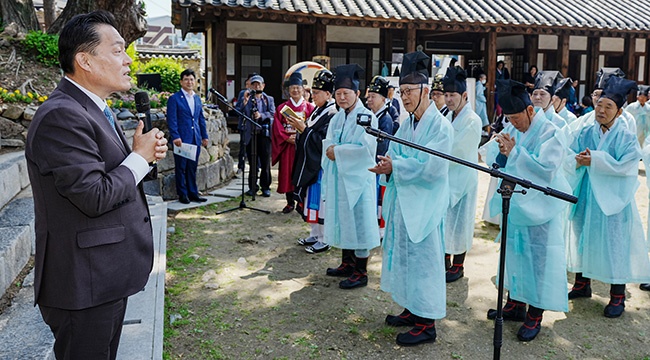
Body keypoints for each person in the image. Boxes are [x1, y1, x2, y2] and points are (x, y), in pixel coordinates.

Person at [25, 11, 168, 359]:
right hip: (84, 282)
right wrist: (138, 158)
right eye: (118, 50)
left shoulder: (93, 108)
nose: (128, 59)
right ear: (85, 60)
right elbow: (93, 195)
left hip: (103, 275)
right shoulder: (63, 114)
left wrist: (141, 157)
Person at [372, 51, 452, 346]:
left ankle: (427, 322)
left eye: (409, 92)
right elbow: (398, 153)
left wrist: (397, 167)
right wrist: (388, 164)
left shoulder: (441, 127)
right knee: (405, 256)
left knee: (425, 261)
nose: (404, 98)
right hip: (406, 200)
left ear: (426, 91)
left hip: (426, 205)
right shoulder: (407, 123)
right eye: (402, 91)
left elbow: (433, 170)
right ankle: (411, 308)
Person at [485, 80, 571, 342]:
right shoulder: (514, 127)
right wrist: (500, 150)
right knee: (515, 253)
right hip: (518, 204)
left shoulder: (552, 132)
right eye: (508, 118)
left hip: (542, 208)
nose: (512, 123)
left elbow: (546, 168)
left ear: (531, 111)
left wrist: (514, 153)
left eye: (516, 117)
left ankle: (535, 313)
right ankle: (515, 303)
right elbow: (493, 156)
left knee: (538, 260)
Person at [565, 76, 650, 318]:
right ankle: (582, 284)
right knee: (583, 236)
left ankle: (617, 296)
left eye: (608, 107)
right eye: (599, 105)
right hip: (587, 193)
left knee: (615, 244)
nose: (601, 111)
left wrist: (596, 161)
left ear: (619, 111)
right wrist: (578, 161)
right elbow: (570, 153)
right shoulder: (585, 130)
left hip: (614, 200)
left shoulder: (625, 136)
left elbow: (627, 167)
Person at [322, 64, 380, 289]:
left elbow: (365, 150)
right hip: (340, 177)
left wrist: (337, 151)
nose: (342, 97)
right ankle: (347, 262)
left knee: (360, 221)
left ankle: (361, 270)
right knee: (342, 218)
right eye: (338, 94)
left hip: (358, 180)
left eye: (346, 93)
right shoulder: (337, 117)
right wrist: (333, 149)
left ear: (357, 93)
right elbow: (328, 141)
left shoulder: (367, 117)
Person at [290, 70, 337, 254]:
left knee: (321, 202)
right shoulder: (318, 110)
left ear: (327, 94)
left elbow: (323, 141)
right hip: (311, 165)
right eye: (314, 92)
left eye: (317, 93)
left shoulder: (332, 113)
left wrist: (304, 130)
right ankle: (315, 233)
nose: (314, 95)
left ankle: (325, 238)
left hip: (321, 166)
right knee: (312, 200)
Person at [442, 66, 482, 283]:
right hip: (445, 176)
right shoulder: (446, 115)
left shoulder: (472, 120)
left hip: (462, 177)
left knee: (459, 221)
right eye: (446, 95)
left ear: (464, 96)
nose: (448, 99)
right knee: (445, 220)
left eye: (452, 95)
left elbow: (457, 149)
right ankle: (444, 260)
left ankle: (458, 265)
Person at [272, 72, 315, 213]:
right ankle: (289, 202)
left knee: (302, 172)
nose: (295, 90)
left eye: (298, 87)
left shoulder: (310, 108)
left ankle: (301, 202)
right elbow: (277, 127)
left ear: (303, 89)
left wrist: (301, 137)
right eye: (292, 88)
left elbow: (313, 127)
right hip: (288, 147)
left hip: (302, 146)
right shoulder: (282, 108)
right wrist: (286, 137)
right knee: (287, 173)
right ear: (288, 90)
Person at [167, 69, 209, 204]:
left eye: (191, 79)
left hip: (195, 138)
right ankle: (182, 194)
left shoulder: (197, 98)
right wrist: (175, 136)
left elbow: (200, 119)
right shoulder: (175, 98)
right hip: (181, 139)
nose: (189, 82)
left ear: (195, 81)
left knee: (192, 167)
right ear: (181, 82)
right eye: (186, 79)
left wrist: (204, 135)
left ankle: (193, 192)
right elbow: (172, 119)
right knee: (181, 167)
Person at [366, 75, 394, 238]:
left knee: (379, 198)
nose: (369, 99)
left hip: (378, 162)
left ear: (383, 98)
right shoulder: (370, 115)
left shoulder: (386, 118)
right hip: (369, 161)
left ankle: (381, 230)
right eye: (369, 96)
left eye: (373, 96)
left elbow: (383, 145)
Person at [242, 74, 275, 197]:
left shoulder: (269, 99)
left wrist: (261, 115)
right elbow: (241, 113)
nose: (256, 86)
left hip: (264, 134)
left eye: (259, 84)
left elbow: (273, 113)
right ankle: (252, 187)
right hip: (251, 134)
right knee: (253, 162)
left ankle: (265, 186)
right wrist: (245, 102)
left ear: (263, 85)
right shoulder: (248, 98)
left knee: (266, 162)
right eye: (254, 84)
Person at [235, 73, 258, 173]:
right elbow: (238, 109)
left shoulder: (261, 95)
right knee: (243, 146)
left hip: (256, 125)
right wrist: (244, 101)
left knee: (256, 147)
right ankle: (241, 166)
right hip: (245, 124)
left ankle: (256, 167)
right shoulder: (243, 93)